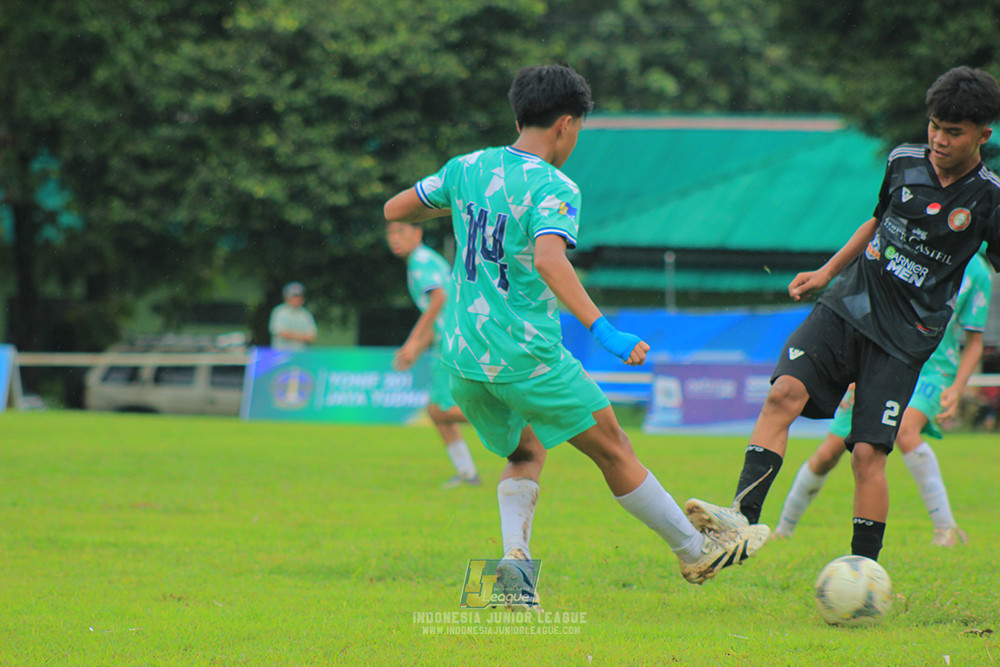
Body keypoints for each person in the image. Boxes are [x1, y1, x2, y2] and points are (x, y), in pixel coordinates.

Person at [384, 63, 769, 594]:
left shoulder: (467, 167)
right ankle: (695, 552)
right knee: (614, 448)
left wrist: (468, 208)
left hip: (465, 359)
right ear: (566, 124)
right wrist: (603, 330)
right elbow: (548, 258)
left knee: (525, 452)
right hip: (527, 356)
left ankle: (515, 565)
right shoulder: (556, 186)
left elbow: (396, 207)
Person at [683, 66, 1000, 564]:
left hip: (904, 338)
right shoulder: (902, 161)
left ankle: (863, 570)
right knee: (782, 393)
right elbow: (878, 219)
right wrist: (829, 270)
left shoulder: (990, 199)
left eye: (953, 132)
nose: (938, 139)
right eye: (934, 125)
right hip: (848, 305)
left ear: (983, 134)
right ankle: (739, 523)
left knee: (869, 454)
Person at [772, 252, 992, 547]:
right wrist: (853, 374)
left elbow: (974, 341)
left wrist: (958, 387)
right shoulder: (907, 247)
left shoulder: (977, 271)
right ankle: (782, 531)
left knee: (905, 430)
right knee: (828, 454)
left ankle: (946, 529)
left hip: (932, 372)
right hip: (881, 365)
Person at [386, 220, 480, 488]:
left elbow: (438, 299)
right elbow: (440, 307)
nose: (394, 237)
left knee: (440, 410)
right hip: (453, 340)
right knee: (436, 410)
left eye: (401, 231)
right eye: (390, 232)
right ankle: (467, 473)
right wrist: (417, 347)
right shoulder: (425, 259)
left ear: (418, 233)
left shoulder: (420, 261)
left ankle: (515, 420)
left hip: (453, 344)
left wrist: (412, 340)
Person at [268, 282, 317, 350]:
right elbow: (280, 333)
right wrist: (302, 336)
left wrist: (291, 334)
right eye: (294, 296)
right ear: (287, 297)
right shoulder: (279, 312)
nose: (297, 299)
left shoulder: (306, 315)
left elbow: (312, 337)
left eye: (299, 296)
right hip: (282, 354)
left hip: (301, 355)